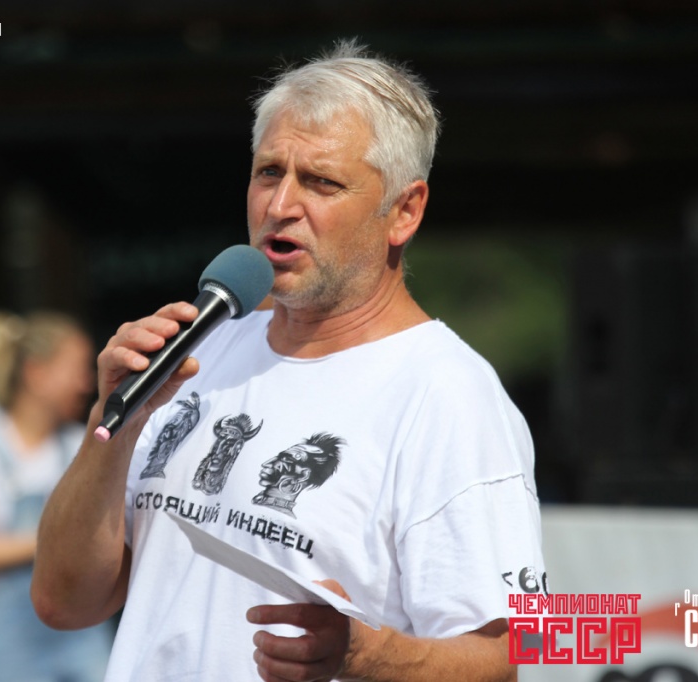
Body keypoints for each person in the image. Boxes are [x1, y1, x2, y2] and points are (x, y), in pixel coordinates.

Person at [31, 39, 546, 681]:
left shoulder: (448, 394)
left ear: (404, 211)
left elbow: (511, 657)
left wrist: (361, 654)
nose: (280, 206)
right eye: (269, 172)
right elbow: (63, 602)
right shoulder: (199, 349)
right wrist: (112, 424)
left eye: (322, 182)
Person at [0, 311, 115, 682]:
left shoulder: (80, 445)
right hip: (7, 642)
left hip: (80, 635)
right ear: (36, 373)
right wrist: (57, 539)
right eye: (77, 368)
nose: (86, 383)